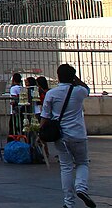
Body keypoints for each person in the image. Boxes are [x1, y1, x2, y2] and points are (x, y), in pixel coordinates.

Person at [40, 63, 95, 208]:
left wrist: (41, 132)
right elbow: (87, 89)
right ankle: (81, 188)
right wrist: (75, 79)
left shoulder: (51, 93)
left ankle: (69, 203)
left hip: (61, 135)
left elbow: (45, 115)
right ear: (73, 77)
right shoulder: (79, 91)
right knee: (82, 163)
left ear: (58, 77)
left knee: (66, 167)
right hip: (78, 134)